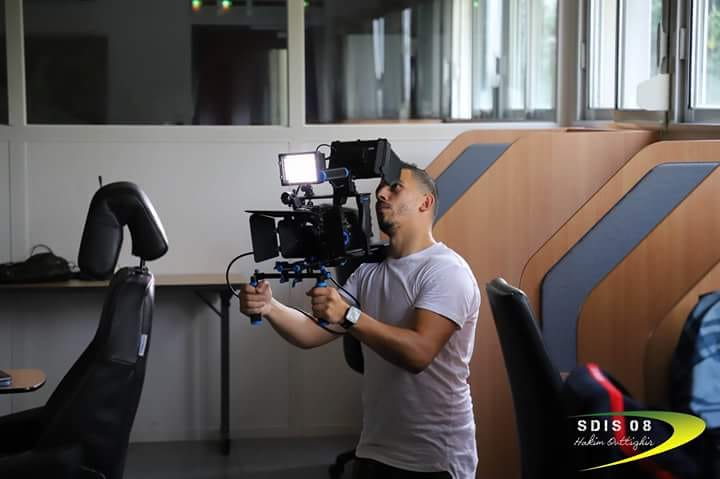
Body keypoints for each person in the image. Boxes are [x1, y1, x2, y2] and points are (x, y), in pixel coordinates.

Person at [239, 163, 480, 479]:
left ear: (426, 202)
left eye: (395, 188)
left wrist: (349, 315)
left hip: (434, 458)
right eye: (380, 189)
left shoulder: (446, 271)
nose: (381, 194)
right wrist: (270, 306)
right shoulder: (369, 272)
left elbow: (419, 354)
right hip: (375, 449)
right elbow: (312, 332)